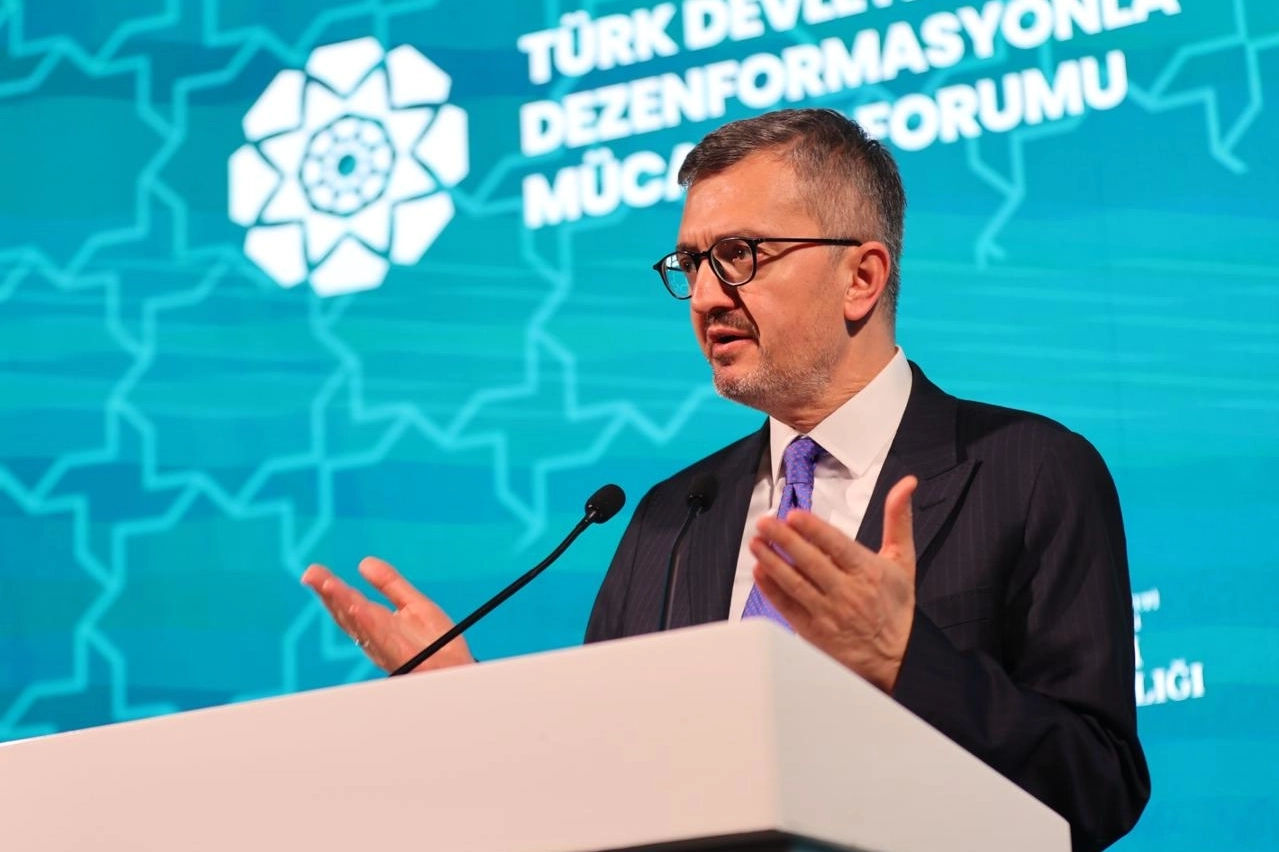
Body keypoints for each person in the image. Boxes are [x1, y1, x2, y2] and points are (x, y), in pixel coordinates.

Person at [302, 108, 1149, 852]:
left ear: (861, 276)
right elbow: (606, 788)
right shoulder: (667, 521)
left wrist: (905, 660)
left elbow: (1097, 787)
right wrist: (470, 717)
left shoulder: (1028, 470)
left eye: (739, 255)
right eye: (691, 263)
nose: (705, 296)